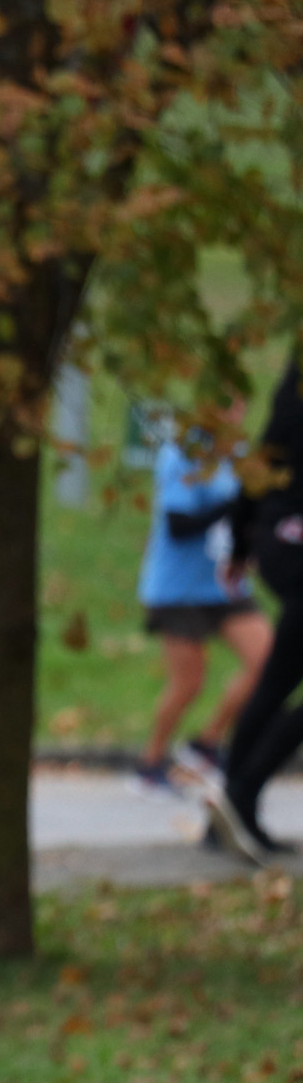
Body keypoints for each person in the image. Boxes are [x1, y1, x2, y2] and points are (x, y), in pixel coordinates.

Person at [131, 413, 271, 797]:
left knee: (266, 663)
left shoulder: (240, 454)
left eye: (239, 402)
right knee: (189, 682)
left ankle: (206, 744)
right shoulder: (184, 453)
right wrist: (234, 505)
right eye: (226, 401)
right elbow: (178, 525)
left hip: (226, 584)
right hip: (178, 589)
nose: (235, 410)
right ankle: (150, 763)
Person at [216, 357, 303, 860]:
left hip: (277, 539)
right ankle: (240, 793)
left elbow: (261, 462)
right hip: (295, 544)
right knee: (277, 681)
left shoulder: (292, 390)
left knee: (276, 681)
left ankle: (229, 810)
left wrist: (238, 543)